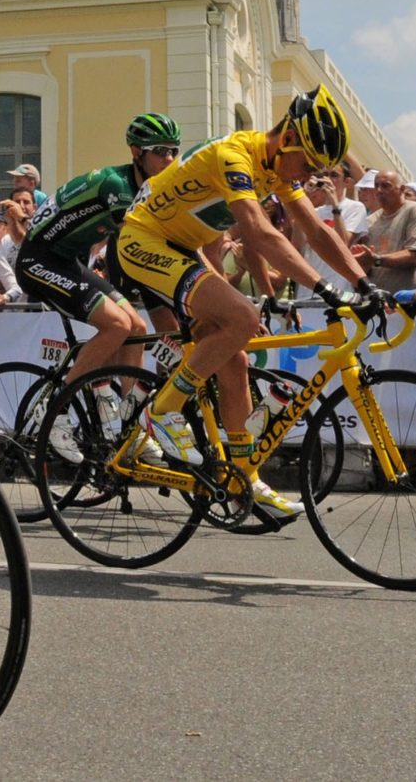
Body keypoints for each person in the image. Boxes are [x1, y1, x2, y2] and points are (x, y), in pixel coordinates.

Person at [111, 87, 368, 518]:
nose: (307, 175)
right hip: (143, 240)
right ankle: (162, 411)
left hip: (185, 250)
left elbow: (318, 232)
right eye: (307, 163)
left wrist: (363, 284)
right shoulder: (235, 155)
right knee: (243, 317)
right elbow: (260, 233)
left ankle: (244, 478)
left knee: (237, 359)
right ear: (286, 139)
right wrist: (326, 289)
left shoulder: (279, 170)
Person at [19, 112, 184, 390]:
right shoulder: (117, 185)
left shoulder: (148, 187)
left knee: (138, 329)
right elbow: (149, 238)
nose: (169, 159)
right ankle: (57, 403)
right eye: (160, 151)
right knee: (118, 325)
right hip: (37, 262)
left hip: (67, 262)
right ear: (136, 152)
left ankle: (133, 415)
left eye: (174, 151)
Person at [358, 172, 416, 293]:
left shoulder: (414, 210)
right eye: (376, 186)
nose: (379, 190)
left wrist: (376, 259)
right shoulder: (369, 221)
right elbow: (366, 265)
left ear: (402, 189)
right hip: (376, 298)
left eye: (386, 186)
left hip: (407, 299)